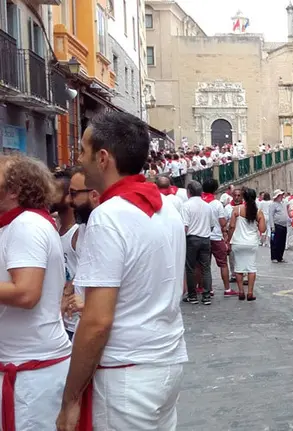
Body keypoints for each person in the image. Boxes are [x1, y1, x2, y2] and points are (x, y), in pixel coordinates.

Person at [56, 111, 187, 431]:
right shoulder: (166, 208)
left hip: (126, 376)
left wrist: (70, 399)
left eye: (83, 152)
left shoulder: (109, 216)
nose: (79, 160)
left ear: (103, 158)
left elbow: (97, 322)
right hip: (164, 364)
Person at [0, 155, 71, 431]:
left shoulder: (26, 226)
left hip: (32, 374)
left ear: (15, 189)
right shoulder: (17, 224)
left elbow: (26, 293)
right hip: (26, 367)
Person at [60, 167, 101, 331]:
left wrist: (88, 306)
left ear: (93, 195)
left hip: (97, 328)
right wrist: (70, 287)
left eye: (74, 193)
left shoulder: (106, 227)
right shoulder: (84, 225)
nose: (69, 200)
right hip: (78, 324)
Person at [52, 169, 79, 340]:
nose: (47, 195)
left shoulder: (78, 233)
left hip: (75, 323)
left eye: (54, 191)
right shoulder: (53, 227)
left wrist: (70, 287)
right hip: (60, 322)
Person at [228, 188, 265, 301]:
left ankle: (240, 292)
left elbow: (232, 227)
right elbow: (262, 229)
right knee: (251, 268)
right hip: (251, 243)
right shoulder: (258, 211)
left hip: (238, 242)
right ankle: (250, 292)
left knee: (238, 268)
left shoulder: (236, 209)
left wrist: (228, 240)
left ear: (244, 197)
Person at [202, 179, 237, 297]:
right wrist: (226, 233)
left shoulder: (201, 202)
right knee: (223, 264)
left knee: (205, 265)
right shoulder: (217, 204)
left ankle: (209, 288)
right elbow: (222, 222)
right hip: (216, 236)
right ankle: (227, 289)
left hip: (204, 236)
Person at [268, 189, 290, 263]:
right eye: (280, 195)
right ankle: (274, 257)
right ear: (276, 196)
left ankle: (280, 256)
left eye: (281, 195)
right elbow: (271, 215)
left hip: (284, 225)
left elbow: (286, 212)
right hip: (277, 225)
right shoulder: (273, 204)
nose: (281, 196)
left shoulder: (283, 203)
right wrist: (272, 226)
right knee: (275, 242)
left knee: (282, 242)